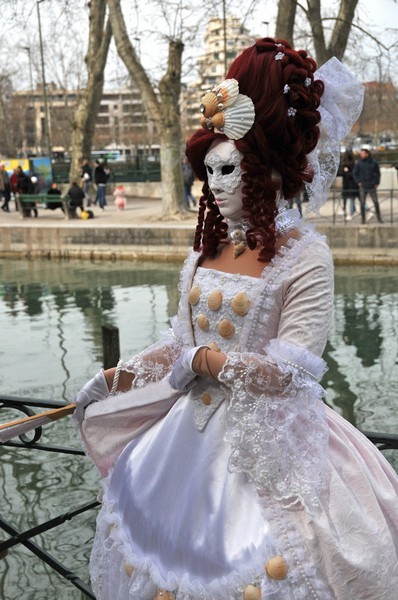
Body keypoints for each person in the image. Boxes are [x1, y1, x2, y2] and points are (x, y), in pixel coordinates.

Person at [74, 39, 398, 600]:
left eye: (231, 169)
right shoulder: (205, 250)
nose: (216, 184)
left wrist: (203, 361)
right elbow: (178, 339)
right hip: (183, 445)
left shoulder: (305, 256)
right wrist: (115, 378)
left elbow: (292, 373)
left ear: (270, 170)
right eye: (210, 170)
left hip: (270, 445)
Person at [353, 146, 382, 223]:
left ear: (367, 154)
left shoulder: (374, 162)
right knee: (362, 203)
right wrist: (358, 182)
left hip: (372, 185)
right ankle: (363, 219)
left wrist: (377, 183)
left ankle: (379, 218)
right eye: (361, 154)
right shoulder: (359, 163)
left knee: (375, 202)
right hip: (363, 185)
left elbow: (378, 174)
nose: (361, 155)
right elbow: (355, 173)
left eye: (362, 153)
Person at [341, 150, 359, 220]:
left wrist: (347, 173)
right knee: (352, 198)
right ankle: (349, 209)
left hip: (349, 184)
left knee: (350, 198)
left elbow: (347, 174)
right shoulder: (354, 164)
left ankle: (348, 211)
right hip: (351, 183)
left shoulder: (347, 165)